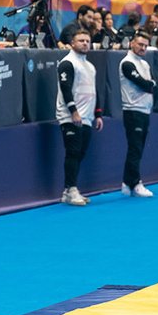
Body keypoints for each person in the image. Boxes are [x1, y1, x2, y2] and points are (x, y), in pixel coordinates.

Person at [56, 30, 104, 206]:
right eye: (81, 40)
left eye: (87, 41)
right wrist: (73, 111)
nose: (85, 43)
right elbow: (65, 88)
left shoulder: (90, 67)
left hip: (87, 117)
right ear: (72, 43)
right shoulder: (67, 63)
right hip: (70, 117)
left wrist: (97, 114)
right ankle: (71, 188)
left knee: (81, 153)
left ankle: (69, 190)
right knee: (73, 152)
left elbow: (94, 91)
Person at [118, 30, 158, 197]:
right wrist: (149, 84)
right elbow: (145, 84)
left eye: (145, 45)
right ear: (131, 44)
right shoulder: (127, 63)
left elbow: (153, 83)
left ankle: (127, 182)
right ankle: (136, 183)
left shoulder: (145, 64)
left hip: (144, 110)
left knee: (138, 148)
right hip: (132, 111)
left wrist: (150, 83)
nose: (142, 48)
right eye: (140, 44)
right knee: (135, 149)